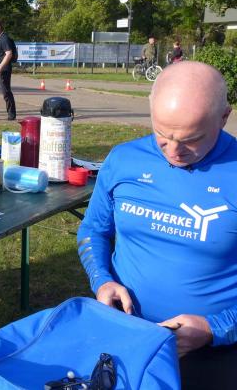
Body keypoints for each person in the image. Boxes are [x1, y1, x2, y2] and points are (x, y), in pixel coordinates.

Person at [77, 61, 236, 389]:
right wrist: (102, 281)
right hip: (126, 335)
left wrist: (216, 328)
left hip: (213, 352)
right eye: (162, 135)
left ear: (224, 117)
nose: (174, 151)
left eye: (192, 139)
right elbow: (93, 230)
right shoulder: (124, 159)